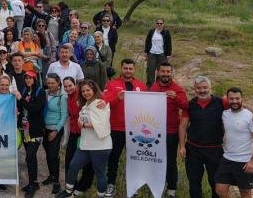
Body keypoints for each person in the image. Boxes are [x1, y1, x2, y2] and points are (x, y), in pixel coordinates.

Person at [178, 76, 253, 198]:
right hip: (193, 148)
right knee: (194, 181)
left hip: (214, 149)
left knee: (215, 183)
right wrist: (182, 146)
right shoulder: (189, 105)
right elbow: (183, 125)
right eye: (199, 88)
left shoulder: (220, 102)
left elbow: (238, 103)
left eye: (205, 87)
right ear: (194, 89)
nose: (202, 90)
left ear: (210, 88)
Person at [55, 80, 112, 198]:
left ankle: (101, 195)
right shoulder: (85, 105)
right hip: (85, 144)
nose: (85, 93)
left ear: (94, 90)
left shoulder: (99, 103)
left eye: (88, 90)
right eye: (83, 91)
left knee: (100, 173)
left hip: (100, 146)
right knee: (73, 165)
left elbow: (102, 124)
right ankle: (69, 191)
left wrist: (84, 125)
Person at [102, 58, 147, 197]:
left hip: (135, 130)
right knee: (113, 157)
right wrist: (118, 99)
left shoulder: (141, 85)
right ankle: (111, 184)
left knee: (134, 158)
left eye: (130, 68)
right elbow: (105, 102)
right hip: (116, 128)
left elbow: (147, 106)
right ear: (121, 68)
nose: (128, 71)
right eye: (125, 68)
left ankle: (134, 186)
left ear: (134, 69)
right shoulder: (112, 84)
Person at [148, 62, 188, 197]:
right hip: (154, 131)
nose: (165, 74)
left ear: (172, 72)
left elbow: (186, 106)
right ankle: (158, 183)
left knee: (170, 161)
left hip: (171, 131)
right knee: (156, 159)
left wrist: (176, 98)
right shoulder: (153, 87)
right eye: (163, 71)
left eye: (168, 72)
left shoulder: (178, 88)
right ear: (158, 72)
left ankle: (172, 188)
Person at [216, 87, 253, 198]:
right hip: (227, 158)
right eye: (231, 99)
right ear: (227, 99)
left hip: (245, 161)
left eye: (237, 98)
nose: (234, 101)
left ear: (242, 99)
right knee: (220, 190)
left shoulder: (251, 117)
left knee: (245, 193)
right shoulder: (225, 114)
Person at [62, 77, 94, 196]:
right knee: (69, 160)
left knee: (88, 161)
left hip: (86, 132)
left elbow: (95, 100)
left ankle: (84, 186)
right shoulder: (68, 98)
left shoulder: (81, 95)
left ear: (75, 85)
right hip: (74, 133)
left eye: (70, 85)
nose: (68, 88)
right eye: (65, 86)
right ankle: (70, 186)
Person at [18, 70, 45, 195]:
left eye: (31, 78)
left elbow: (34, 108)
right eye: (26, 78)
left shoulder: (40, 92)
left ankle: (33, 183)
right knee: (30, 158)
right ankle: (32, 183)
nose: (28, 80)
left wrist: (21, 100)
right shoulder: (24, 90)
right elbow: (21, 107)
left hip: (36, 130)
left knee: (29, 156)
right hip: (25, 129)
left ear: (35, 79)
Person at [41, 74, 67, 193]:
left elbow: (64, 116)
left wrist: (56, 131)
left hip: (55, 129)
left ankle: (56, 182)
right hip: (44, 128)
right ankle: (51, 176)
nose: (50, 85)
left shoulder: (62, 97)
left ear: (58, 83)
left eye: (53, 83)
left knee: (53, 155)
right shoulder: (45, 93)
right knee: (48, 153)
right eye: (49, 83)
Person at [143, 19, 172, 87]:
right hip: (152, 53)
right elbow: (147, 41)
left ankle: (159, 85)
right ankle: (150, 86)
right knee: (150, 70)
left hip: (162, 54)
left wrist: (168, 54)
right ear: (156, 24)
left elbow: (169, 43)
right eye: (158, 23)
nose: (159, 25)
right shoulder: (152, 31)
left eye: (161, 23)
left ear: (163, 24)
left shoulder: (166, 32)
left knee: (161, 71)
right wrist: (146, 52)